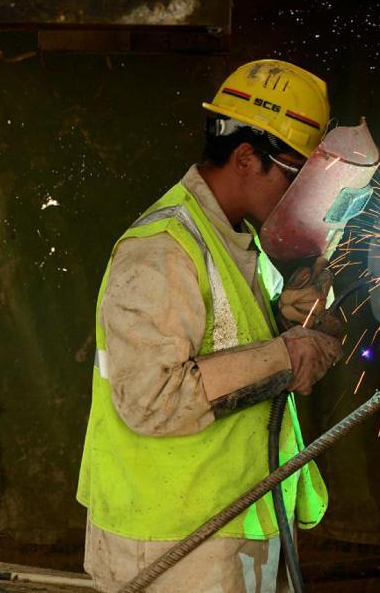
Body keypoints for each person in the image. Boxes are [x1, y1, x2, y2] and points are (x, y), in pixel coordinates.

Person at [77, 59, 342, 592]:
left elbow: (234, 334)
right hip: (171, 541)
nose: (304, 197)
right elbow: (152, 397)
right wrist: (284, 358)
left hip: (235, 520)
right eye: (297, 177)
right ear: (247, 158)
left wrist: (289, 310)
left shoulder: (236, 240)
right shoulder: (159, 252)